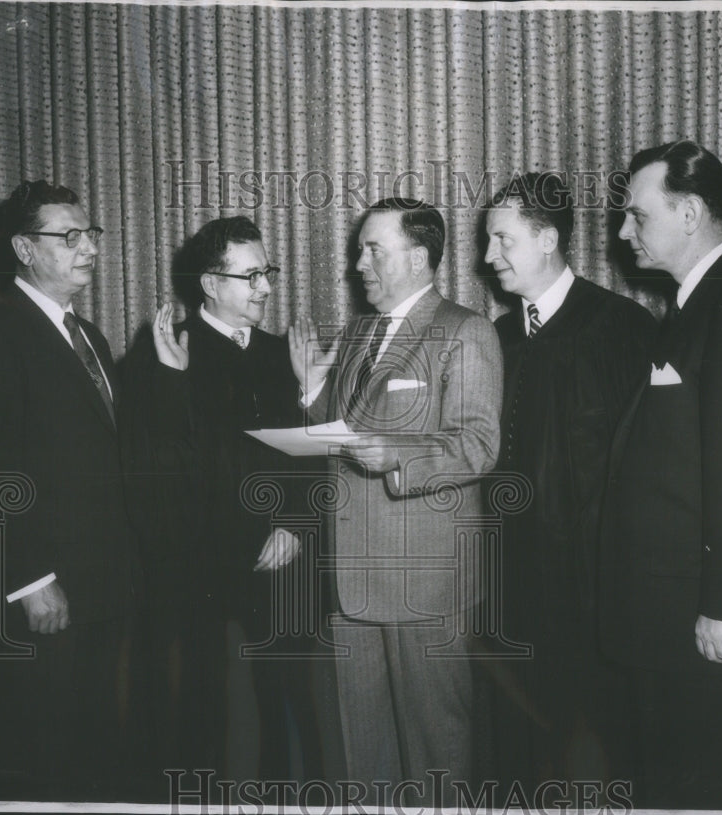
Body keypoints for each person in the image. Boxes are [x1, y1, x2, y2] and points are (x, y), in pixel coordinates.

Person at [599, 140, 722, 808]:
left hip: (703, 619)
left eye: (636, 214)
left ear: (689, 213)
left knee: (709, 785)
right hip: (670, 612)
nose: (624, 231)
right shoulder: (695, 304)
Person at [288, 198, 503, 804]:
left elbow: (479, 444)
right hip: (351, 579)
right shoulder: (358, 332)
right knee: (365, 756)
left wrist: (402, 456)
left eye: (373, 249)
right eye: (360, 249)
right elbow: (343, 434)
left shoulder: (466, 331)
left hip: (424, 581)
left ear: (418, 256)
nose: (359, 264)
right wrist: (311, 393)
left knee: (437, 752)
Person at [0, 179, 141, 799]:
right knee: (40, 759)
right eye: (70, 236)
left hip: (99, 586)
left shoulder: (91, 338)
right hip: (43, 593)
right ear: (26, 250)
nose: (88, 248)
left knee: (91, 751)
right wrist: (29, 580)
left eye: (91, 235)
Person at [121, 216, 321, 784]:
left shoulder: (286, 353)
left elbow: (315, 456)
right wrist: (171, 384)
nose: (265, 287)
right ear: (211, 283)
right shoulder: (163, 355)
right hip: (206, 579)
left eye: (268, 272)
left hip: (284, 572)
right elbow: (160, 475)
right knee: (212, 730)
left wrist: (293, 523)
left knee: (285, 721)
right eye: (250, 275)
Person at [482, 172, 654, 795]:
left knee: (602, 764)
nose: (487, 256)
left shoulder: (621, 329)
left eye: (502, 240)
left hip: (595, 596)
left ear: (547, 237)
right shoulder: (496, 338)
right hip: (513, 590)